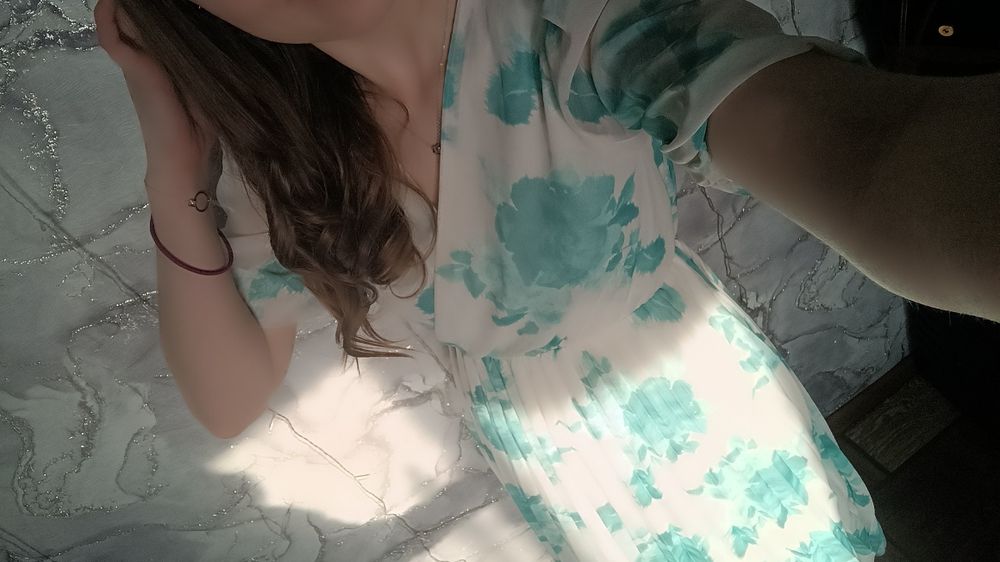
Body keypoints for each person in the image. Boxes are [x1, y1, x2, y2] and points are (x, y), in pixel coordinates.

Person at [95, 0, 1000, 559]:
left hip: (705, 419)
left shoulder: (579, 22)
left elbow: (874, 152)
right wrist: (174, 164)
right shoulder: (295, 159)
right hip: (553, 466)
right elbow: (228, 399)